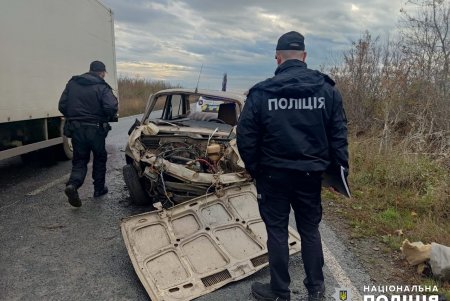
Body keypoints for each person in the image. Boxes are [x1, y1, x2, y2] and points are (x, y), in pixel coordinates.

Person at [236, 31, 348, 301]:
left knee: (276, 230)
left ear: (278, 58)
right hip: (310, 175)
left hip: (273, 175)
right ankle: (316, 291)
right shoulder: (327, 90)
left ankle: (279, 291)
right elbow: (338, 135)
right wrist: (338, 174)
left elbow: (245, 136)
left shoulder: (262, 92)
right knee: (309, 229)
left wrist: (255, 170)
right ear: (305, 57)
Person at [58, 60, 118, 207]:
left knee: (79, 160)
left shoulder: (73, 83)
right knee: (99, 157)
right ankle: (98, 189)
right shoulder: (102, 86)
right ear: (102, 72)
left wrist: (74, 116)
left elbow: (62, 105)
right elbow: (111, 107)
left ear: (90, 70)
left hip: (76, 129)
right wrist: (105, 116)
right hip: (96, 129)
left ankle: (73, 185)